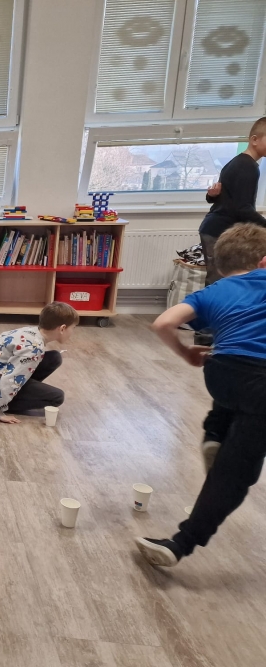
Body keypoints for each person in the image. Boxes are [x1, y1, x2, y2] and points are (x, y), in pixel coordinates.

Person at [136, 223, 266, 567]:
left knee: (237, 389)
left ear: (219, 265)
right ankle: (180, 544)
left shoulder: (212, 291)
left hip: (222, 372)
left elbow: (163, 323)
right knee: (234, 474)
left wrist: (186, 353)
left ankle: (215, 433)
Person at [196, 117, 266, 343]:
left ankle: (216, 329)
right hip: (218, 231)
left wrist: (211, 196)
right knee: (219, 281)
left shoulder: (239, 163)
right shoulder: (247, 167)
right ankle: (207, 333)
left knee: (222, 280)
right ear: (254, 139)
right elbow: (241, 208)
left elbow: (222, 197)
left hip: (219, 229)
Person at [0, 301, 79, 424]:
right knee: (57, 397)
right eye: (73, 328)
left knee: (55, 357)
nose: (73, 332)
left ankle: (13, 393)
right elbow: (10, 379)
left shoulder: (31, 331)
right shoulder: (33, 350)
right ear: (62, 328)